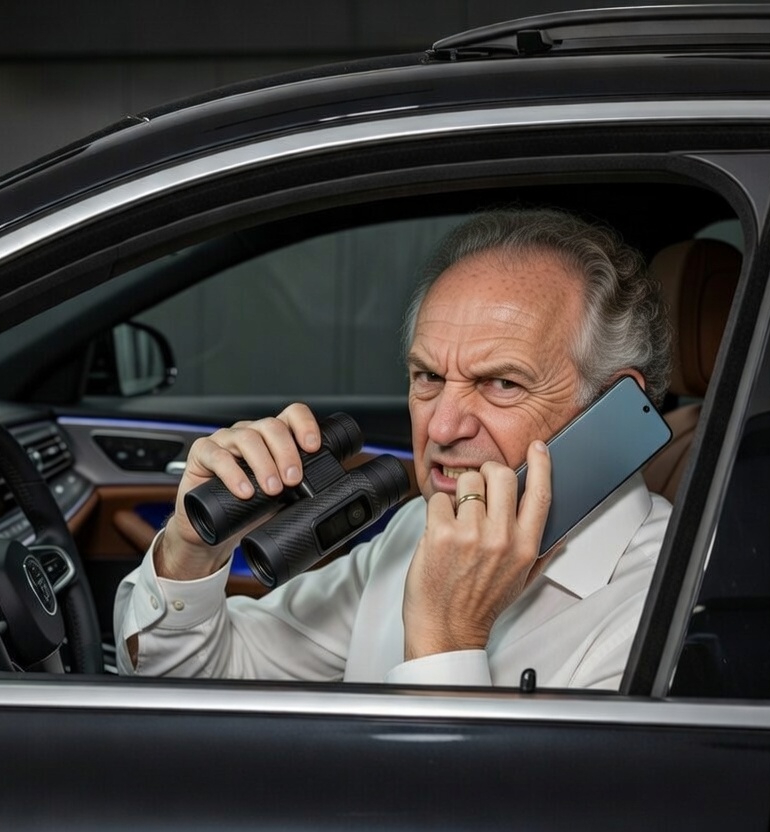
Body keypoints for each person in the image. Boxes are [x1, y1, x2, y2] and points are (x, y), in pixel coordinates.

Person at [115, 207, 674, 688]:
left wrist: (447, 638)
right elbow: (195, 685)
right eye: (428, 376)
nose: (442, 427)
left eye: (502, 383)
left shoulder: (663, 607)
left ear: (611, 405)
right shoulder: (419, 528)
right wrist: (190, 553)